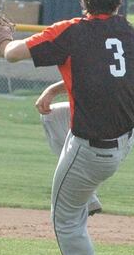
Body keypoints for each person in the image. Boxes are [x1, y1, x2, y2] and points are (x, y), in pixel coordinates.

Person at [0, 0, 134, 255]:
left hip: (92, 152)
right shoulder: (128, 32)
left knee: (64, 220)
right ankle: (87, 197)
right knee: (53, 117)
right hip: (124, 140)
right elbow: (105, 75)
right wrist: (55, 89)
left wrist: (2, 39)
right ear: (120, 0)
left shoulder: (72, 32)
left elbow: (13, 54)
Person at [36, 83, 103, 216]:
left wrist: (51, 91)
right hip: (96, 111)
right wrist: (51, 91)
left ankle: (86, 192)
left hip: (110, 117)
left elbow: (79, 76)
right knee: (52, 115)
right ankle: (88, 197)